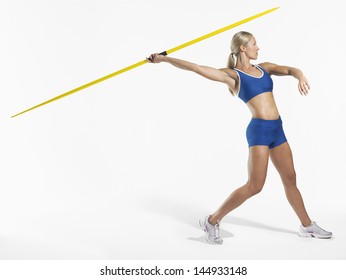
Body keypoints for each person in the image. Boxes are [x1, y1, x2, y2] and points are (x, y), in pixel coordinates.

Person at [147, 31, 332, 244]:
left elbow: (291, 69)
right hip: (259, 131)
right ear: (243, 47)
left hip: (277, 129)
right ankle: (212, 221)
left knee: (290, 179)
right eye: (254, 43)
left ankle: (307, 226)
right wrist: (165, 59)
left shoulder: (266, 68)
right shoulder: (233, 76)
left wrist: (300, 76)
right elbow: (197, 68)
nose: (258, 47)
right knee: (255, 185)